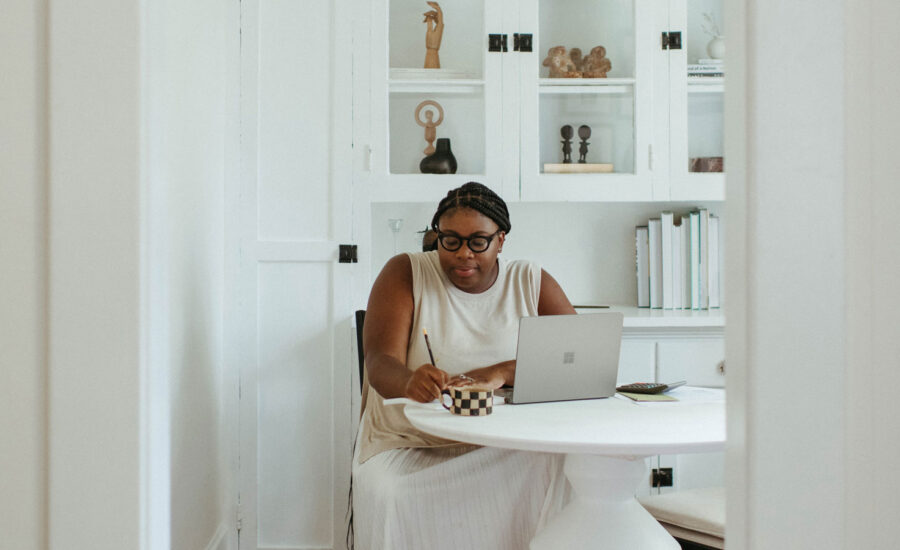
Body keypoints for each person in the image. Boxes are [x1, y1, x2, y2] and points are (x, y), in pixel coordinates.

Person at [352, 182, 576, 549]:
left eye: (478, 242)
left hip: (507, 442)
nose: (462, 254)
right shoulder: (406, 272)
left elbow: (577, 359)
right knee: (399, 493)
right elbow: (379, 363)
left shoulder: (530, 281)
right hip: (412, 441)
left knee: (563, 470)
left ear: (501, 240)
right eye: (450, 240)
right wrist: (410, 381)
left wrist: (501, 371)